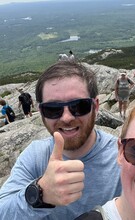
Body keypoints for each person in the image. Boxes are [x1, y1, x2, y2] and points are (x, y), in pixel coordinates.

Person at [0, 61, 121, 219]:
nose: (66, 117)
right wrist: (41, 194)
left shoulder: (121, 156)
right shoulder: (36, 155)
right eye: (53, 109)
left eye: (79, 106)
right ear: (41, 112)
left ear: (96, 106)